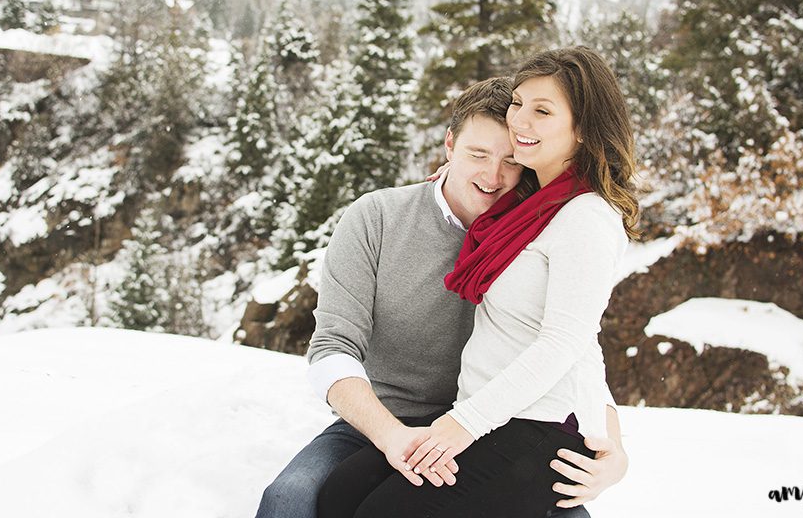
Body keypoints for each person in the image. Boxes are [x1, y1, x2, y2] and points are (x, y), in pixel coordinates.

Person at [255, 75, 628, 518]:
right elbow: (332, 348)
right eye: (477, 154)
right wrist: (390, 435)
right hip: (382, 421)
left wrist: (615, 450)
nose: (493, 176)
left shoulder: (535, 228)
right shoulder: (378, 218)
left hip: (495, 425)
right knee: (293, 497)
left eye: (510, 161)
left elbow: (571, 338)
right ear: (449, 145)